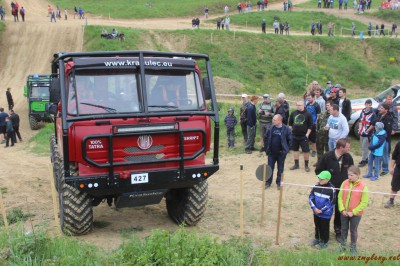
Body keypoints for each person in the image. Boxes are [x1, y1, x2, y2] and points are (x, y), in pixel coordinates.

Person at [315, 138, 354, 243]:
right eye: (347, 147)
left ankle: (338, 231)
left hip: (343, 190)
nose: (349, 149)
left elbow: (352, 171)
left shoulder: (348, 157)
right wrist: (325, 182)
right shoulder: (327, 156)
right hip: (328, 191)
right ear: (341, 148)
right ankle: (321, 232)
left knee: (339, 210)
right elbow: (318, 170)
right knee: (324, 209)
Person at [338, 165, 368, 255]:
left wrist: (353, 212)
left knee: (353, 230)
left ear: (358, 175)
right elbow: (340, 197)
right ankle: (342, 246)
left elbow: (364, 203)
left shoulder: (363, 186)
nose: (349, 177)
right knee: (343, 229)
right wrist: (342, 209)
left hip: (356, 214)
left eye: (352, 175)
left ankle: (353, 247)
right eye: (348, 175)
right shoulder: (344, 183)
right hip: (344, 212)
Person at [264, 114, 292, 190]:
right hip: (271, 153)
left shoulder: (286, 129)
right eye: (273, 119)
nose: (273, 121)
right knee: (270, 168)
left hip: (281, 154)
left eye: (275, 120)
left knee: (280, 169)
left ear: (280, 121)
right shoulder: (271, 128)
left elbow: (290, 140)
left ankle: (279, 183)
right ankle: (268, 182)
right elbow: (266, 138)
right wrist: (267, 148)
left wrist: (286, 150)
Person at [309, 170, 336, 249]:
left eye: (322, 179)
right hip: (316, 212)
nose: (320, 180)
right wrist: (314, 208)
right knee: (317, 225)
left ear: (328, 179)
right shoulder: (316, 186)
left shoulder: (332, 189)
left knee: (324, 227)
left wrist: (322, 210)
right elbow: (311, 197)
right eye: (319, 178)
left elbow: (332, 202)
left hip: (325, 214)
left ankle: (324, 241)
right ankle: (317, 238)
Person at [289, 101, 313, 172]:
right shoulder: (293, 113)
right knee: (295, 150)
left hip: (303, 136)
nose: (298, 106)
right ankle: (296, 164)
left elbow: (310, 125)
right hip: (295, 135)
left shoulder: (308, 114)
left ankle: (306, 165)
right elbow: (290, 124)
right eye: (297, 105)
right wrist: (290, 132)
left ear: (303, 105)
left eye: (300, 105)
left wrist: (307, 134)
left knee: (306, 151)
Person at [357, 99, 376, 167]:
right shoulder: (362, 111)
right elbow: (360, 121)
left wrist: (367, 131)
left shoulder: (372, 114)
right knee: (362, 147)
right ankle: (365, 158)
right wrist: (359, 129)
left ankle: (364, 160)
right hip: (361, 132)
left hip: (367, 134)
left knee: (365, 147)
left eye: (369, 105)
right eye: (367, 105)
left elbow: (373, 124)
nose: (368, 106)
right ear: (365, 104)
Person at [376, 103, 393, 176]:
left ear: (386, 110)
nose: (380, 109)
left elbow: (388, 130)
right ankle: (378, 166)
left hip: (385, 139)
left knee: (385, 155)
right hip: (379, 138)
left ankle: (385, 169)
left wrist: (382, 136)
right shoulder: (380, 115)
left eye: (382, 108)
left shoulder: (388, 118)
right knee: (378, 153)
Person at [385, 140, 400, 208]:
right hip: (398, 168)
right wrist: (391, 167)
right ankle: (391, 200)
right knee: (394, 185)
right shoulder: (399, 143)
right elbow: (394, 156)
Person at [305, 92, 321, 157]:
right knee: (307, 137)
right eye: (308, 98)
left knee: (313, 139)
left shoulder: (316, 105)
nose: (308, 99)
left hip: (313, 124)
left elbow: (318, 115)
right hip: (307, 123)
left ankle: (314, 150)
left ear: (313, 97)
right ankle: (307, 149)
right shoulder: (307, 104)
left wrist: (316, 123)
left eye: (309, 98)